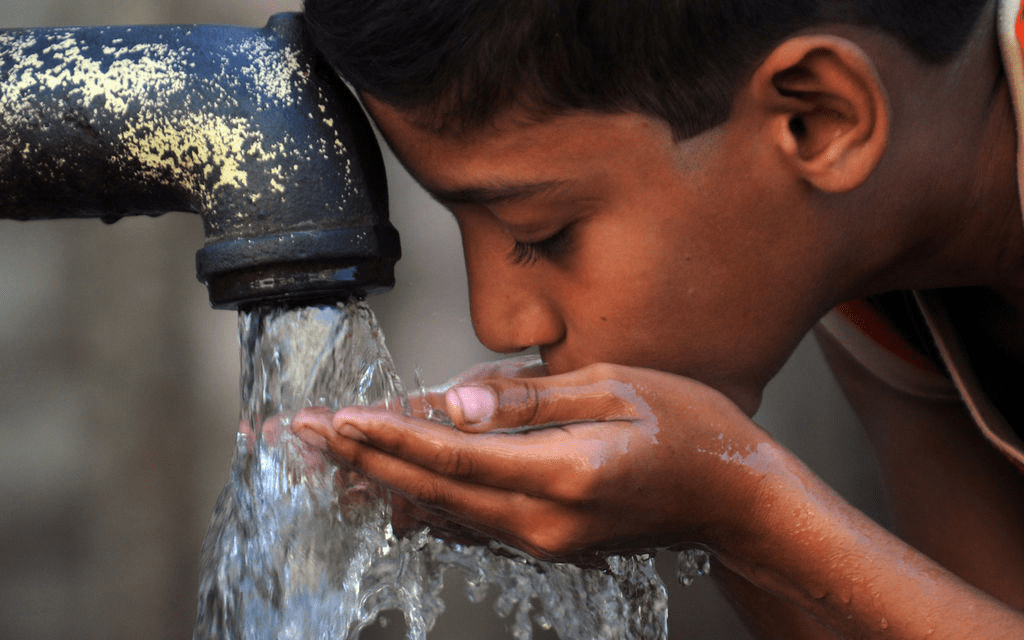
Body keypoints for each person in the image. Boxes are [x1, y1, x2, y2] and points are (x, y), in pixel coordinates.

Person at [292, 0, 1024, 636]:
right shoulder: (872, 269)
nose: (499, 322)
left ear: (817, 118)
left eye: (543, 233)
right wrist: (695, 510)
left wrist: (748, 509)